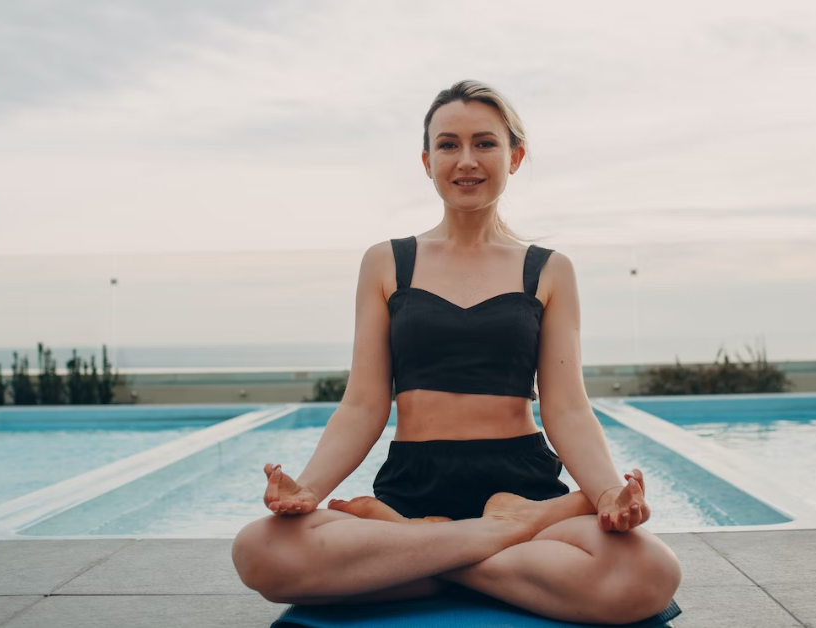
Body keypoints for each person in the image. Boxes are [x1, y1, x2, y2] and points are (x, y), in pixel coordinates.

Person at [232, 80, 681, 625]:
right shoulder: (385, 262)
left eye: (484, 143)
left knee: (650, 574)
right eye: (448, 145)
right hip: (414, 486)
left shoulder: (549, 269)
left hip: (524, 487)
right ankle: (497, 538)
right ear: (427, 161)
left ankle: (418, 553)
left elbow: (567, 407)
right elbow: (363, 404)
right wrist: (308, 488)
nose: (466, 160)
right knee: (260, 552)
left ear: (514, 156)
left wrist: (607, 490)